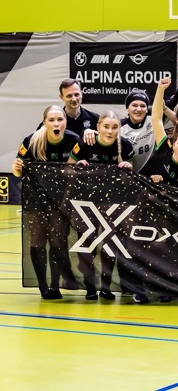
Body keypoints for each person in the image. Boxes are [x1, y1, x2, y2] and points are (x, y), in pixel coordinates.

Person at [67, 110, 136, 301]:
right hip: (85, 203)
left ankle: (106, 286)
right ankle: (90, 286)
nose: (110, 131)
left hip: (111, 203)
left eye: (114, 127)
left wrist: (128, 169)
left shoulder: (126, 146)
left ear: (119, 129)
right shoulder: (84, 143)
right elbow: (66, 170)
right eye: (106, 126)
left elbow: (129, 181)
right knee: (87, 243)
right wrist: (76, 166)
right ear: (98, 127)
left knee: (109, 244)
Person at [13, 105, 80, 299]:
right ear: (44, 122)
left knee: (58, 241)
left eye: (60, 119)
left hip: (62, 201)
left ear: (65, 122)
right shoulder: (32, 141)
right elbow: (18, 171)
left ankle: (55, 284)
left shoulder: (73, 141)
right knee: (37, 241)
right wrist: (17, 167)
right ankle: (43, 285)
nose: (56, 123)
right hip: (36, 199)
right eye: (51, 120)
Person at [122, 60, 178, 172]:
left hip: (155, 177)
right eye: (134, 105)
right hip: (132, 176)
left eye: (142, 106)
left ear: (147, 108)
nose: (138, 109)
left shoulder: (153, 117)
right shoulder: (119, 127)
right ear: (127, 107)